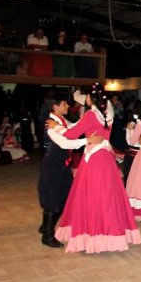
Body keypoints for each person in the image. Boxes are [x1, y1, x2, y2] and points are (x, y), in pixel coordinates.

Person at [50, 83, 141, 253]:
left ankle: (95, 235)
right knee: (108, 195)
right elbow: (81, 126)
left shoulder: (91, 114)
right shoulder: (108, 112)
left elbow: (71, 134)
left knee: (93, 195)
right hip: (106, 157)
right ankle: (111, 233)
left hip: (94, 159)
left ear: (89, 97)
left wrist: (55, 126)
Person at [38, 94, 101, 248]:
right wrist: (87, 140)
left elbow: (74, 127)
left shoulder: (61, 121)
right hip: (52, 166)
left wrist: (88, 113)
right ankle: (47, 235)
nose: (68, 106)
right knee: (54, 200)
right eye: (64, 104)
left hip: (61, 165)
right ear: (55, 106)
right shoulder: (49, 123)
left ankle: (45, 226)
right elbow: (65, 143)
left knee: (65, 198)